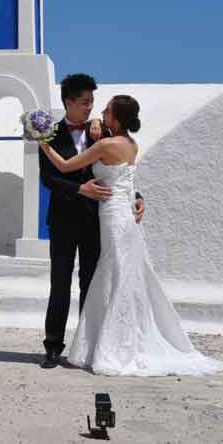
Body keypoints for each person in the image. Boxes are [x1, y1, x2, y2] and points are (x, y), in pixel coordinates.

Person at [39, 95, 223, 375]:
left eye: (106, 110)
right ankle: (112, 341)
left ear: (116, 118)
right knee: (121, 275)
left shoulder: (105, 144)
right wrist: (138, 198)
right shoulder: (131, 144)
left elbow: (66, 167)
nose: (100, 111)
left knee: (112, 276)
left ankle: (114, 345)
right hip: (124, 214)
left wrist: (42, 143)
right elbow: (126, 182)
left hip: (111, 216)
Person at [38, 74, 145, 368]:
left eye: (93, 102)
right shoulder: (47, 134)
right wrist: (79, 189)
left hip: (95, 219)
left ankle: (88, 346)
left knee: (92, 283)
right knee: (60, 284)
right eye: (84, 102)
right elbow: (48, 178)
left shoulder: (103, 131)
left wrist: (137, 196)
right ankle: (52, 346)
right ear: (68, 102)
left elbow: (120, 172)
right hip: (62, 220)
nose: (90, 107)